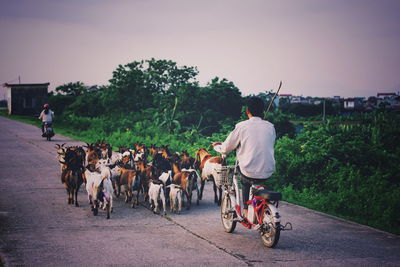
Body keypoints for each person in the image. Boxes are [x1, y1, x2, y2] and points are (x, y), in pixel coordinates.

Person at [212, 97, 276, 219]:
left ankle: (246, 211)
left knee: (245, 181)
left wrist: (219, 146)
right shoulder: (270, 127)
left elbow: (226, 148)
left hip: (249, 171)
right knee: (253, 180)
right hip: (268, 170)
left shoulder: (242, 126)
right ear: (262, 111)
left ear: (247, 111)